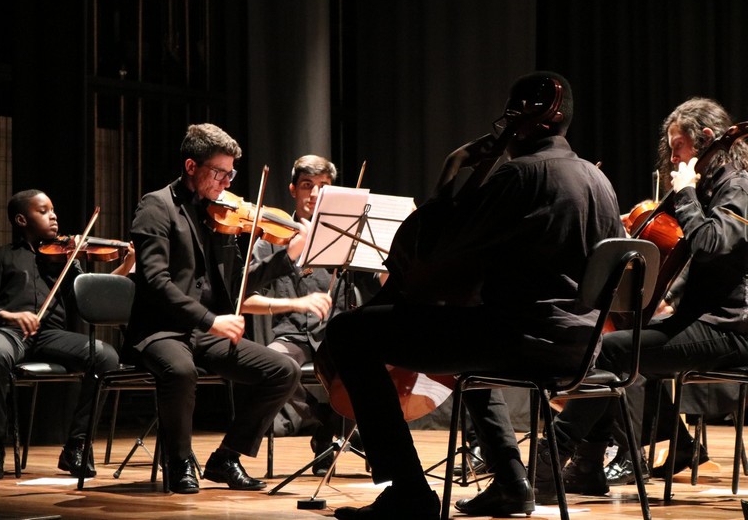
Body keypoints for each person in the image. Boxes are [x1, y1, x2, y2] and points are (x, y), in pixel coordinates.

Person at [320, 71, 625, 519]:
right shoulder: (599, 181)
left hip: (521, 339)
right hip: (582, 345)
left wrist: (453, 168)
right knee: (473, 337)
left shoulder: (518, 176)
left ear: (517, 120)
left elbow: (434, 251)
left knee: (349, 332)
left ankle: (408, 491)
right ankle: (511, 482)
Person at [533, 97, 748, 503]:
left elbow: (711, 243)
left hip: (732, 329)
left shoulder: (737, 185)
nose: (674, 158)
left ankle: (554, 459)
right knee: (613, 350)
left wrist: (686, 194)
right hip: (704, 320)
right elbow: (700, 263)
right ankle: (584, 467)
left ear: (706, 138)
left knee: (613, 351)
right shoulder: (711, 186)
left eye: (679, 147)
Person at [125, 123, 305, 494]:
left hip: (205, 333)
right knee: (180, 371)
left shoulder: (222, 215)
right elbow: (155, 282)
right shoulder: (156, 206)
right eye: (218, 173)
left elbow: (238, 284)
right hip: (161, 330)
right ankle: (179, 461)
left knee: (284, 370)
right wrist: (211, 321)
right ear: (191, 166)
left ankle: (226, 457)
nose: (226, 182)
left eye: (230, 174)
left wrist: (286, 257)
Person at [0, 189, 134, 480]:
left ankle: (76, 445)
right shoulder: (2, 257)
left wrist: (127, 264)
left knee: (105, 356)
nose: (53, 216)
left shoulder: (65, 258)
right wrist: (10, 315)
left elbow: (92, 297)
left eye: (53, 210)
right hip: (10, 332)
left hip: (51, 336)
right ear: (21, 220)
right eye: (43, 211)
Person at [243, 154, 380, 475]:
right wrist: (296, 304)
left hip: (336, 335)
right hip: (291, 335)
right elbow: (244, 299)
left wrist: (389, 264)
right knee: (274, 364)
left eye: (323, 186)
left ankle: (340, 434)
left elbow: (373, 283)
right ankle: (327, 421)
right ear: (293, 189)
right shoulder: (271, 238)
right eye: (307, 185)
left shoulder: (346, 235)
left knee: (367, 365)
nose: (315, 194)